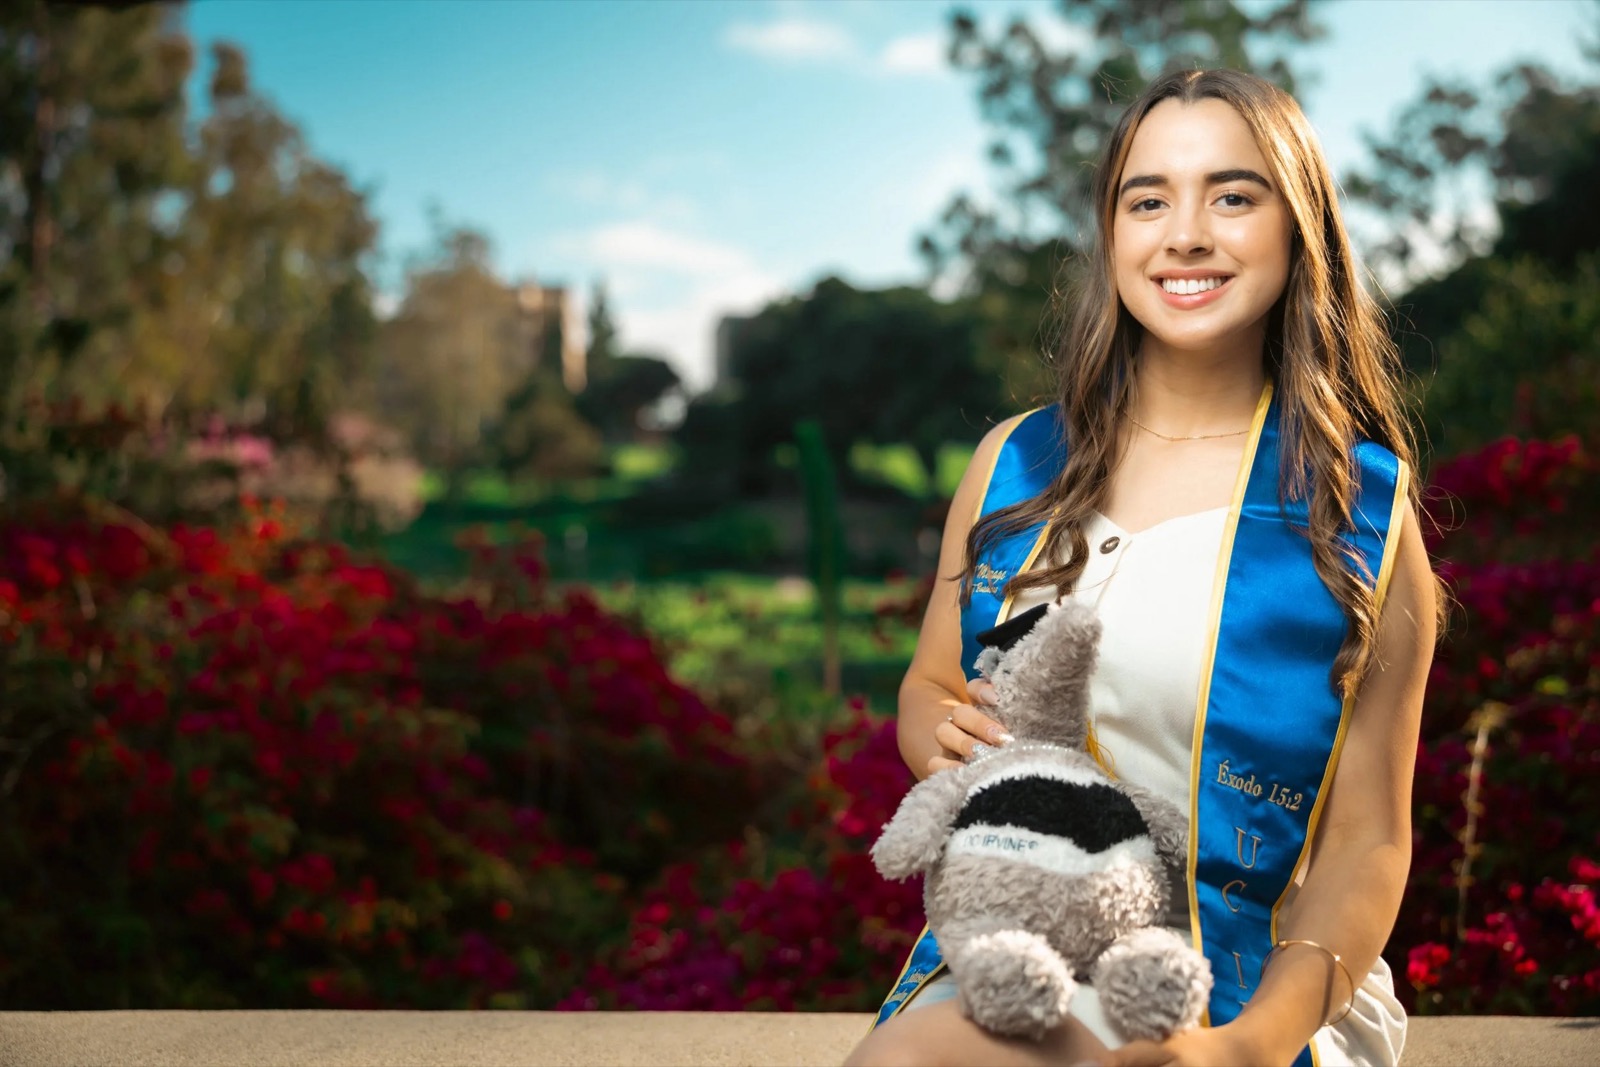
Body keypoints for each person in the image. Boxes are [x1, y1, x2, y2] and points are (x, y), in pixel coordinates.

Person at [844, 68, 1439, 1067]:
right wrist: (924, 717)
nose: (1185, 233)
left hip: (1239, 983)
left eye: (1233, 195)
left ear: (1298, 229)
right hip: (1024, 940)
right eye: (1147, 198)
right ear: (1110, 234)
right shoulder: (1011, 466)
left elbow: (1368, 844)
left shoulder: (1360, 517)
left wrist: (1246, 1046)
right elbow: (933, 680)